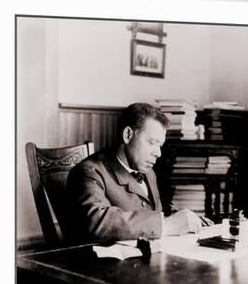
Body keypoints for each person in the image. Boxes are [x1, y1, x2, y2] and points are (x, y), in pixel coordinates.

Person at [66, 102, 205, 243]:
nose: (158, 153)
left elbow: (153, 212)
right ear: (127, 135)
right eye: (152, 142)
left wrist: (185, 218)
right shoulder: (89, 171)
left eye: (160, 145)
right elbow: (96, 221)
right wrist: (166, 225)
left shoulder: (149, 173)